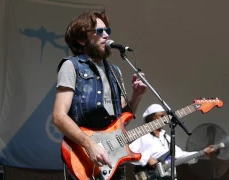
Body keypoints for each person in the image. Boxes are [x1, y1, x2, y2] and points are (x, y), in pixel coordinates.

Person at [52, 11, 147, 179]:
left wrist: (137, 96)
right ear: (82, 39)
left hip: (114, 160)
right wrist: (90, 145)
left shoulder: (115, 72)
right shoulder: (71, 66)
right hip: (85, 157)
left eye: (107, 30)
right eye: (99, 31)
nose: (106, 35)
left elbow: (122, 119)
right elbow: (59, 116)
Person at [129, 104, 214, 180]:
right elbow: (128, 151)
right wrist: (147, 158)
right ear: (151, 117)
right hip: (149, 176)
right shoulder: (142, 136)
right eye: (161, 116)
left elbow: (179, 154)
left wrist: (201, 153)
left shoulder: (166, 137)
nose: (165, 119)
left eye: (165, 116)